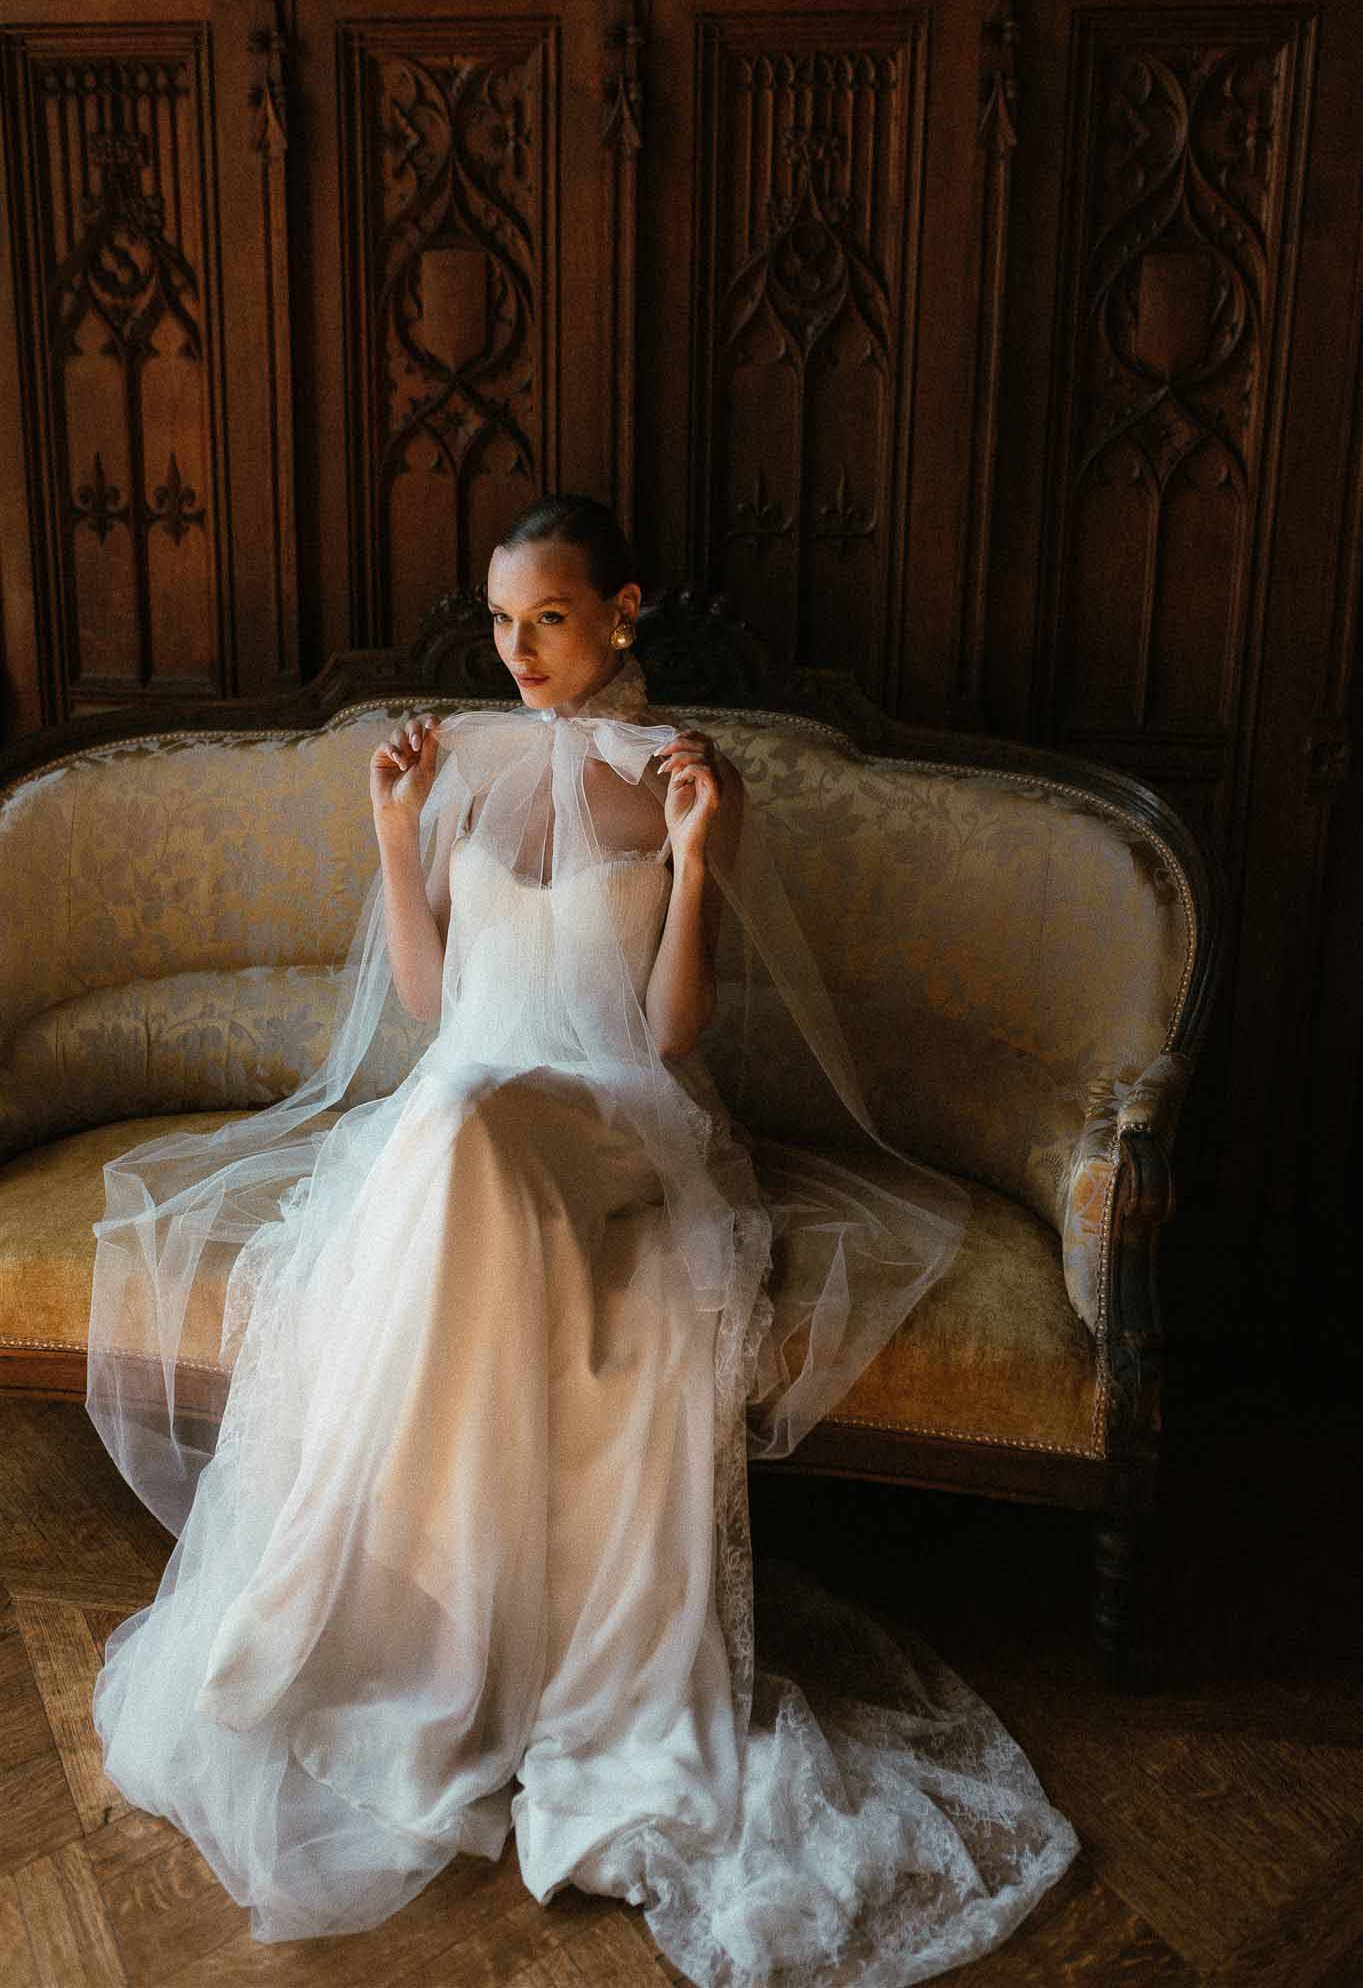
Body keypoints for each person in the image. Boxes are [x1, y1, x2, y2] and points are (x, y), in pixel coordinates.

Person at [86, 495, 1079, 1985]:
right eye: (500, 622)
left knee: (467, 1130)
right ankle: (414, 1644)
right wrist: (392, 828)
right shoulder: (464, 768)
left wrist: (698, 846)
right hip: (464, 1115)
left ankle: (470, 1659)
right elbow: (426, 1006)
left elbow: (674, 1033)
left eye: (547, 618)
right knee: (452, 1122)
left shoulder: (680, 777)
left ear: (621, 611)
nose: (519, 651)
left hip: (621, 1124)